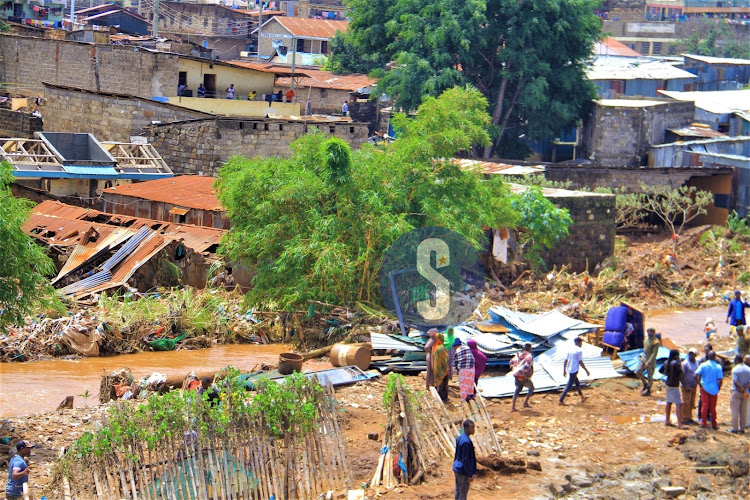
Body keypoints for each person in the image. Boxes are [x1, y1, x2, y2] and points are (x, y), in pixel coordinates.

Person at [696, 351, 723, 429]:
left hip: (704, 388)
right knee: (712, 407)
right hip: (714, 389)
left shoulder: (703, 365)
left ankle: (703, 423)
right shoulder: (718, 367)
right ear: (715, 357)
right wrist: (718, 388)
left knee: (704, 405)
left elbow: (695, 375)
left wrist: (700, 384)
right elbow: (720, 380)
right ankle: (713, 424)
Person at [559, 337, 590, 406]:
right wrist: (586, 370)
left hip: (569, 368)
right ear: (578, 342)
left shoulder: (570, 349)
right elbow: (580, 362)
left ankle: (582, 397)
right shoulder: (579, 351)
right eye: (581, 342)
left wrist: (564, 370)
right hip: (574, 369)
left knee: (577, 383)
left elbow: (565, 360)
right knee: (569, 385)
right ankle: (561, 400)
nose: (581, 344)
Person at [452, 420, 476, 500]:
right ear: (466, 428)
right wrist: (470, 474)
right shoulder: (466, 442)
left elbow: (457, 454)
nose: (473, 430)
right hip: (463, 470)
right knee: (463, 493)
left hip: (457, 467)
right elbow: (465, 460)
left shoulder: (460, 438)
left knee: (458, 490)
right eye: (471, 428)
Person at [510, 343, 534, 411]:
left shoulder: (519, 354)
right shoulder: (529, 356)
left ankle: (513, 407)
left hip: (516, 375)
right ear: (530, 349)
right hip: (523, 377)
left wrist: (514, 369)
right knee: (531, 388)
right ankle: (525, 402)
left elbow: (511, 362)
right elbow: (527, 366)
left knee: (517, 390)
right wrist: (526, 375)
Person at [637, 327, 660, 396]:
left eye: (651, 332)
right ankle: (645, 383)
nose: (649, 333)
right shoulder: (646, 339)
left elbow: (654, 354)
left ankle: (648, 390)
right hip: (644, 357)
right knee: (638, 371)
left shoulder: (656, 342)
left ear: (653, 333)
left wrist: (649, 362)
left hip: (651, 359)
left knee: (650, 376)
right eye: (648, 332)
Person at [664, 349, 684, 428]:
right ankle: (680, 424)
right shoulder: (675, 364)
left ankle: (667, 420)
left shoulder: (666, 362)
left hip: (668, 383)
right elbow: (681, 373)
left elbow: (660, 370)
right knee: (678, 404)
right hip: (674, 385)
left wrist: (668, 375)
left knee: (669, 402)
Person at [730, 354, 750, 434]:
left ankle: (735, 428)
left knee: (735, 411)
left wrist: (741, 389)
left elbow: (735, 382)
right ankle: (742, 429)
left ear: (737, 361)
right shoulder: (748, 369)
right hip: (746, 393)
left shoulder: (735, 369)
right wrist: (744, 389)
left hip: (736, 392)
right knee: (744, 411)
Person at [681, 347, 699, 425]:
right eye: (690, 354)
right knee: (686, 402)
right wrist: (685, 386)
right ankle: (684, 418)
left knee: (692, 402)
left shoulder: (697, 363)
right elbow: (682, 376)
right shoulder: (685, 363)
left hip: (693, 385)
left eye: (693, 354)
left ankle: (689, 417)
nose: (691, 356)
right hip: (686, 386)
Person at [432, 333, 450, 402]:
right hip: (443, 368)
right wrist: (446, 368)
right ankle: (443, 398)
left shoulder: (435, 347)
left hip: (437, 368)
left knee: (438, 382)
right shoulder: (442, 348)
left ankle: (438, 397)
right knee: (443, 383)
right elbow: (445, 359)